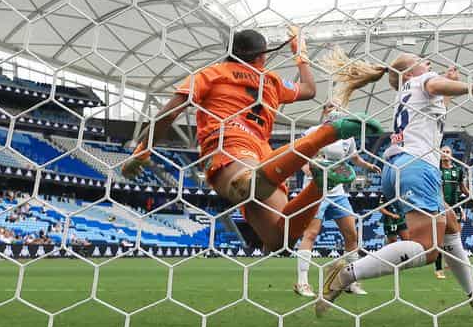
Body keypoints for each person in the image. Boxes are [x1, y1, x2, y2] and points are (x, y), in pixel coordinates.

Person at [123, 28, 382, 252]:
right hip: (263, 154)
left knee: (244, 187)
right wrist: (300, 54)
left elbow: (170, 112)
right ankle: (321, 183)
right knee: (281, 239)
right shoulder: (270, 80)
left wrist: (143, 149)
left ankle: (325, 133)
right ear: (262, 56)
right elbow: (309, 90)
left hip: (229, 144)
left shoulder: (211, 73)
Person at [317, 54, 473, 315]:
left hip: (397, 167)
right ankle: (348, 273)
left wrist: (449, 85)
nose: (427, 62)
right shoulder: (421, 81)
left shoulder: (407, 94)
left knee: (450, 221)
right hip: (418, 167)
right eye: (421, 60)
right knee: (428, 249)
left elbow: (437, 101)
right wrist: (470, 88)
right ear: (408, 73)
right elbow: (434, 86)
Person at [294, 102, 381, 297]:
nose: (335, 110)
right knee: (311, 233)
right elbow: (301, 156)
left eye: (339, 107)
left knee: (351, 235)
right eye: (331, 107)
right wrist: (308, 169)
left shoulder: (347, 136)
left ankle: (350, 281)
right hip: (315, 189)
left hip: (338, 192)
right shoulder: (314, 131)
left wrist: (369, 166)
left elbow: (355, 159)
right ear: (323, 111)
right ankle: (302, 282)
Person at [435, 146, 469, 279]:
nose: (445, 154)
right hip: (440, 207)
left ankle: (451, 263)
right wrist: (443, 203)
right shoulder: (437, 170)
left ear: (451, 154)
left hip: (454, 208)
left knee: (455, 237)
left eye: (447, 152)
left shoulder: (458, 170)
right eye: (442, 152)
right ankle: (438, 268)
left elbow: (462, 187)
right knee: (439, 238)